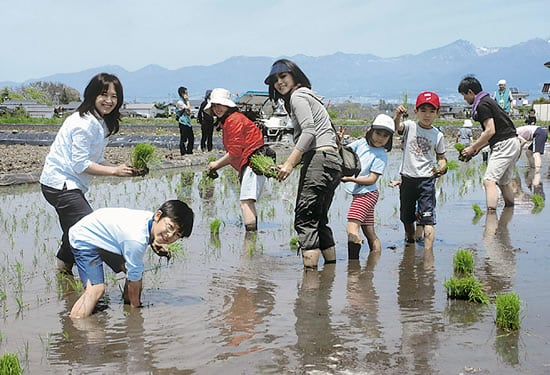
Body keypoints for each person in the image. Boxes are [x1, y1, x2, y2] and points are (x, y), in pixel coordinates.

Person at [40, 73, 135, 275]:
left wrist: (121, 169)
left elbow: (96, 159)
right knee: (90, 226)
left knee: (74, 228)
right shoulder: (83, 123)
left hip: (69, 183)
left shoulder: (99, 122)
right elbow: (81, 164)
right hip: (60, 184)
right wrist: (114, 171)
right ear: (92, 95)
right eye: (104, 95)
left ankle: (62, 268)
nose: (109, 101)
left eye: (114, 96)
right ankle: (126, 267)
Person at [264, 59, 342, 269]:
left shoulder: (298, 96)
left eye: (283, 77)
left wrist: (289, 164)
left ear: (295, 76)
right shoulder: (310, 95)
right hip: (331, 161)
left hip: (319, 159)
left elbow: (309, 131)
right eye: (275, 80)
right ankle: (328, 277)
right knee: (319, 219)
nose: (279, 83)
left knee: (305, 219)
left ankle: (310, 287)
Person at [68, 200, 194, 318]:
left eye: (177, 235)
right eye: (170, 227)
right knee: (96, 290)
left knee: (132, 269)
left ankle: (126, 301)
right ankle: (75, 325)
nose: (170, 236)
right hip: (85, 238)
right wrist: (136, 311)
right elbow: (134, 275)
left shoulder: (150, 221)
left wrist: (154, 241)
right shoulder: (135, 239)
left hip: (104, 236)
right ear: (158, 215)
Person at [205, 88, 266, 231]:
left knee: (245, 202)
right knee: (248, 202)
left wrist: (215, 165)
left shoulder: (234, 120)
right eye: (214, 106)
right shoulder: (229, 121)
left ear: (228, 105)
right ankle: (252, 238)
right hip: (248, 163)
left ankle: (250, 241)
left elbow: (234, 152)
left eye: (220, 104)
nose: (217, 108)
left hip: (252, 162)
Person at [393, 91, 447, 252]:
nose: (427, 115)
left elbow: (442, 157)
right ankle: (410, 244)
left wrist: (442, 167)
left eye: (431, 111)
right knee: (407, 218)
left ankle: (428, 258)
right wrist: (397, 116)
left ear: (437, 113)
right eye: (423, 110)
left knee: (428, 220)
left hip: (427, 181)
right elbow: (397, 128)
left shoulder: (438, 135)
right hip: (408, 179)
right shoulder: (410, 126)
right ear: (416, 111)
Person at [458, 76, 521, 211]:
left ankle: (491, 217)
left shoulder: (482, 105)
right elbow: (492, 134)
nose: (464, 99)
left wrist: (473, 147)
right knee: (503, 182)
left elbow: (490, 130)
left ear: (470, 92)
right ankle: (509, 212)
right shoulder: (488, 101)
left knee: (489, 181)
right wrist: (477, 149)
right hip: (513, 142)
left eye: (464, 95)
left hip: (504, 144)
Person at [343, 114, 394, 260]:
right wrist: (338, 141)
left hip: (366, 194)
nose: (380, 138)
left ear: (389, 139)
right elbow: (345, 153)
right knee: (369, 232)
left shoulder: (381, 156)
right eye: (378, 133)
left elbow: (372, 179)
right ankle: (373, 264)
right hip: (364, 193)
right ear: (370, 130)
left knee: (352, 228)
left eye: (385, 136)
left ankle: (353, 268)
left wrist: (350, 179)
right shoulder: (360, 144)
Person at [176, 86, 194, 155]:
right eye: (186, 93)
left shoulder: (183, 102)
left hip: (187, 122)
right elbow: (188, 109)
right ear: (182, 93)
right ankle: (183, 152)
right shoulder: (180, 102)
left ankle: (189, 151)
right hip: (182, 122)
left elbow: (189, 112)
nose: (187, 95)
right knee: (183, 138)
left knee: (191, 137)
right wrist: (187, 100)